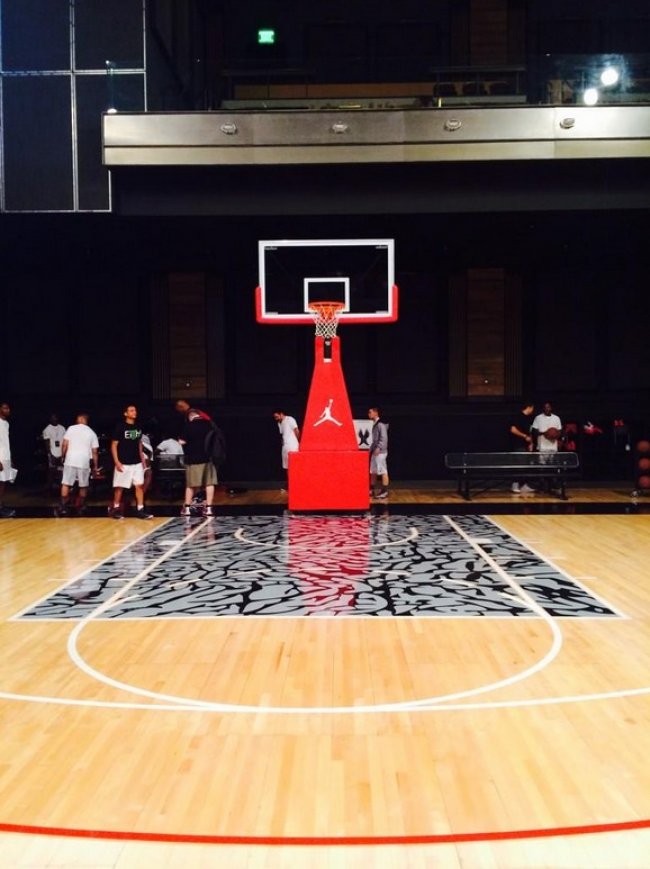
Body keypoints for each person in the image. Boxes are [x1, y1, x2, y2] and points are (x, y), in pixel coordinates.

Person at [109, 404, 153, 520]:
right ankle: (116, 509)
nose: (134, 412)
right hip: (123, 462)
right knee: (120, 486)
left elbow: (139, 444)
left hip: (137, 462)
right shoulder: (120, 427)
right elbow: (114, 445)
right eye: (131, 410)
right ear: (126, 413)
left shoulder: (138, 427)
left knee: (139, 485)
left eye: (135, 410)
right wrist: (117, 461)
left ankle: (140, 509)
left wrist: (143, 461)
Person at [175, 399, 217, 518]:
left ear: (190, 416)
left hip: (193, 459)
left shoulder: (189, 426)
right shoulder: (209, 425)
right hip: (208, 459)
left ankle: (187, 509)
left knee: (191, 485)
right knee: (209, 484)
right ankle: (209, 508)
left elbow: (182, 442)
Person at [56, 413, 99, 516]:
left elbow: (64, 444)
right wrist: (95, 466)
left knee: (66, 483)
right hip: (83, 461)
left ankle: (63, 507)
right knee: (83, 485)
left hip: (70, 459)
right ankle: (82, 507)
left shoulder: (71, 428)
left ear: (81, 419)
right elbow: (95, 451)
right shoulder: (91, 432)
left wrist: (62, 456)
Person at [509, 401, 535, 494]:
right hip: (518, 445)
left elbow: (529, 433)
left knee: (526, 466)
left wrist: (531, 443)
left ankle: (524, 485)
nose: (533, 410)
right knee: (519, 466)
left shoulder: (528, 419)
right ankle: (515, 485)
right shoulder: (518, 416)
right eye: (533, 408)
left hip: (526, 446)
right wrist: (524, 436)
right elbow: (513, 429)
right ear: (529, 407)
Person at [273, 410, 300, 489]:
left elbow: (296, 430)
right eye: (275, 417)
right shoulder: (279, 423)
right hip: (285, 447)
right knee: (287, 466)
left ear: (281, 414)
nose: (276, 418)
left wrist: (297, 441)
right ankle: (290, 484)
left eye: (277, 416)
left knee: (294, 465)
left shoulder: (290, 419)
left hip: (293, 446)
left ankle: (297, 483)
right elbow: (283, 434)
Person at [368, 407, 389, 499]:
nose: (368, 414)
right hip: (374, 452)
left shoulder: (381, 424)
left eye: (370, 412)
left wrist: (379, 448)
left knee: (383, 470)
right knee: (373, 471)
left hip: (380, 452)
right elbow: (373, 440)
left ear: (376, 413)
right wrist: (370, 450)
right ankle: (372, 490)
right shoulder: (374, 424)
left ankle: (385, 491)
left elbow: (384, 438)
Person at [42, 412, 66, 490]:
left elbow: (65, 441)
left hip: (61, 453)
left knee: (61, 471)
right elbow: (47, 443)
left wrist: (64, 453)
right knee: (51, 471)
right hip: (52, 453)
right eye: (52, 418)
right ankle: (49, 489)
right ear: (50, 419)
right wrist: (50, 454)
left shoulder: (62, 428)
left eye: (55, 417)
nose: (54, 419)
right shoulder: (47, 429)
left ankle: (61, 489)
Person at [0, 402, 16, 518]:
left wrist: (10, 459)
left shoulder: (6, 423)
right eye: (5, 408)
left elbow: (5, 442)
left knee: (3, 483)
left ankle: (1, 505)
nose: (8, 410)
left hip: (6, 457)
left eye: (8, 408)